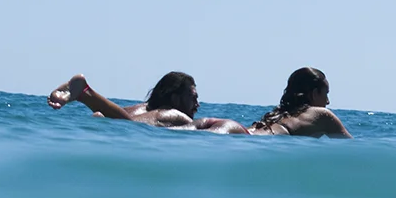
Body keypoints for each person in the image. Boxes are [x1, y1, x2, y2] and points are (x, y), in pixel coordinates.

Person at [47, 71, 250, 134]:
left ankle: (82, 95)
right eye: (193, 98)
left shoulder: (141, 108)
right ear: (176, 98)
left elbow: (107, 117)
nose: (197, 104)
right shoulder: (174, 115)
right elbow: (130, 125)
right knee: (127, 124)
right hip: (130, 129)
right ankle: (85, 93)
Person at [248, 67, 352, 138]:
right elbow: (350, 147)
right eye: (326, 94)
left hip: (243, 132)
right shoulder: (322, 115)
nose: (327, 101)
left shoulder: (281, 115)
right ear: (315, 93)